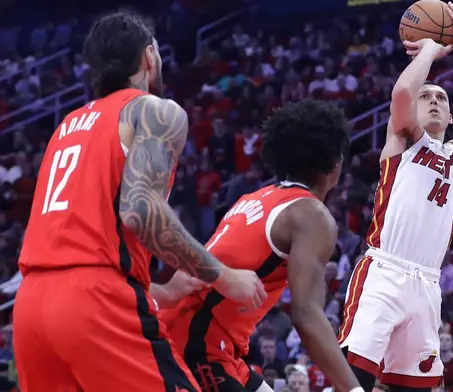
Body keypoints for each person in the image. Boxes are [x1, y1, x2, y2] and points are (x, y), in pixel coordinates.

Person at [12, 12, 266, 392]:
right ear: (149, 56)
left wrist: (163, 292)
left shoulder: (65, 128)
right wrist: (224, 276)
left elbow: (76, 248)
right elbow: (139, 210)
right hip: (95, 302)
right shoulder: (153, 110)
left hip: (31, 308)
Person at [338, 3, 453, 391]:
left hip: (427, 284)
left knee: (416, 387)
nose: (435, 102)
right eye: (428, 97)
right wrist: (429, 48)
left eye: (442, 98)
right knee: (353, 380)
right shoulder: (403, 140)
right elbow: (402, 92)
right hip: (384, 272)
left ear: (450, 113)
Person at [160, 99, 363, 392]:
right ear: (335, 163)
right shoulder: (311, 215)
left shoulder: (254, 199)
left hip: (208, 340)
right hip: (195, 345)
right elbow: (306, 314)